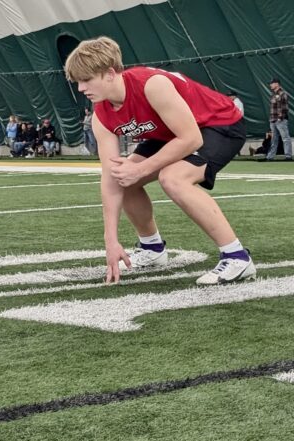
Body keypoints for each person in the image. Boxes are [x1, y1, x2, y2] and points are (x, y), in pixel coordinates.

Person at [64, 36, 254, 285]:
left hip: (217, 124)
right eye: (78, 82)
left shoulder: (151, 85)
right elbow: (111, 177)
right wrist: (110, 240)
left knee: (172, 178)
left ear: (110, 73)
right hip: (169, 133)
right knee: (124, 176)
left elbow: (190, 139)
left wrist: (142, 168)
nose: (81, 88)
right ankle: (152, 248)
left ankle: (237, 256)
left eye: (86, 80)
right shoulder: (101, 116)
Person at [263, 78, 292, 162]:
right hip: (272, 120)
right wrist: (272, 119)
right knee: (274, 139)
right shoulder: (273, 94)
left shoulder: (283, 94)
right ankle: (270, 157)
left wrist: (280, 118)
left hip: (280, 120)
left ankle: (288, 156)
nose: (270, 85)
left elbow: (284, 108)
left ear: (277, 84)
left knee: (285, 138)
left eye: (272, 83)